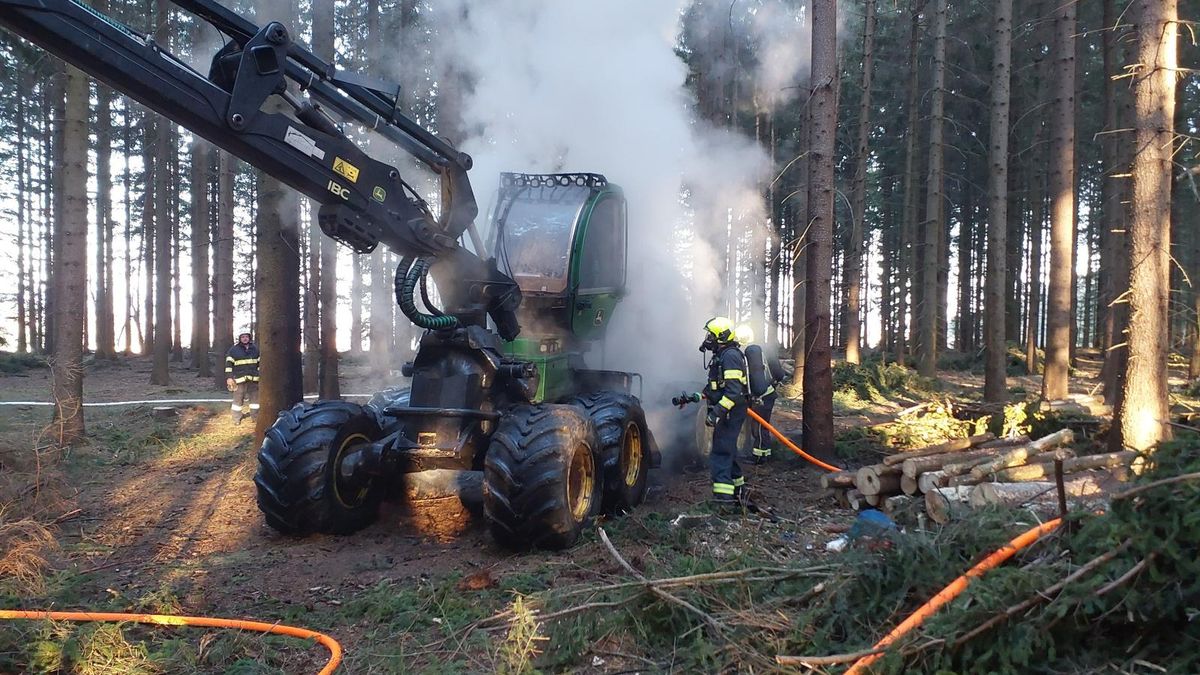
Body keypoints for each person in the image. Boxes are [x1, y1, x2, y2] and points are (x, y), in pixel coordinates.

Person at [674, 316, 751, 509]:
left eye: (711, 335)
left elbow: (733, 393)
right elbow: (715, 389)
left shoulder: (730, 356)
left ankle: (723, 501)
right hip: (729, 410)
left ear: (721, 336)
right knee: (728, 450)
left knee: (720, 453)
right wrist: (694, 397)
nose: (707, 339)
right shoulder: (722, 355)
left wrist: (716, 413)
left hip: (731, 411)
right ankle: (739, 493)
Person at [736, 324, 790, 464]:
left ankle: (760, 456)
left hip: (760, 397)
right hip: (768, 393)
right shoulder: (761, 350)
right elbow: (778, 373)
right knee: (762, 425)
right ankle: (764, 453)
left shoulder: (747, 353)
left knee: (759, 426)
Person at [225, 330, 260, 424]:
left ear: (249, 338)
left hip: (253, 379)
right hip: (239, 379)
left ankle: (255, 418)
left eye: (246, 337)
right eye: (243, 337)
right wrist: (229, 377)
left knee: (255, 401)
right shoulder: (233, 350)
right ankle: (236, 419)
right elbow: (228, 365)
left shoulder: (255, 349)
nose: (245, 338)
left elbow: (260, 363)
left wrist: (259, 374)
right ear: (240, 338)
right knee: (238, 400)